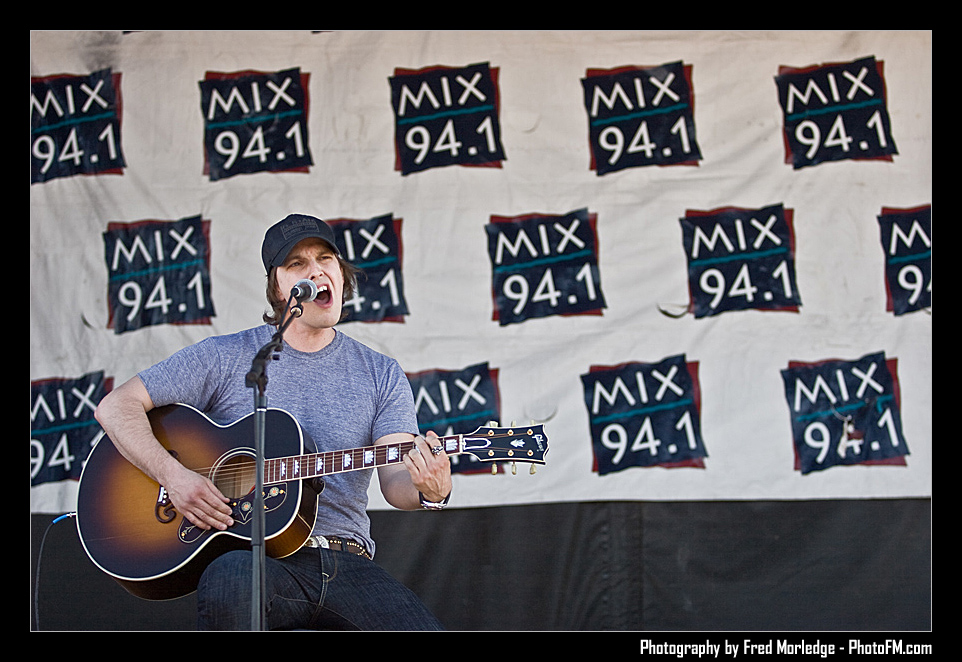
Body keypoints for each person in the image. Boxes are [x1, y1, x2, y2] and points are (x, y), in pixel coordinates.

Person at [94, 213, 452, 630]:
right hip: (256, 560)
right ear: (278, 289)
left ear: (340, 273)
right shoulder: (225, 356)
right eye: (297, 264)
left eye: (325, 258)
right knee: (230, 577)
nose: (316, 270)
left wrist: (431, 489)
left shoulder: (380, 372)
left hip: (345, 561)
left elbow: (396, 481)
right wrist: (174, 476)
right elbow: (115, 407)